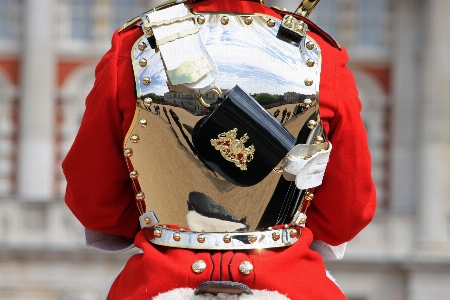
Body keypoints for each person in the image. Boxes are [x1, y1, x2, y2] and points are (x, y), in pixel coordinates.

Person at [62, 0, 376, 299]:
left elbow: (94, 201)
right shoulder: (319, 53)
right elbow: (348, 211)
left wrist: (159, 220)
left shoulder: (135, 46)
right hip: (287, 279)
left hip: (158, 280)